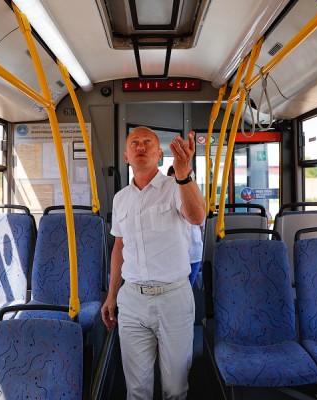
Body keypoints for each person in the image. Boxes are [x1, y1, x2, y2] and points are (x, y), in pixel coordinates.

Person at [101, 127, 205, 399]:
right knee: (136, 390)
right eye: (134, 142)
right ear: (126, 155)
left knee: (175, 388)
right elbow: (119, 248)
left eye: (148, 142)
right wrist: (112, 295)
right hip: (132, 300)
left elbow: (197, 217)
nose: (141, 146)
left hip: (173, 298)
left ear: (159, 154)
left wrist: (184, 174)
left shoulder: (176, 187)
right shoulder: (121, 199)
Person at [167, 165, 204, 286]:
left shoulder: (195, 197)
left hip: (194, 252)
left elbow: (201, 223)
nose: (178, 184)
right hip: (173, 255)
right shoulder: (165, 198)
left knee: (188, 287)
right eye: (175, 180)